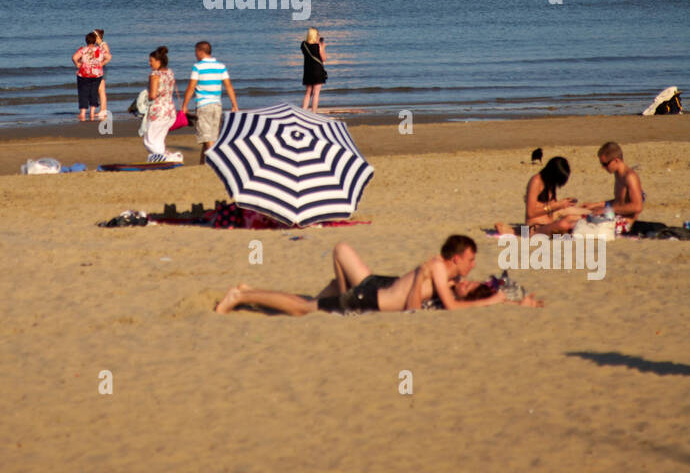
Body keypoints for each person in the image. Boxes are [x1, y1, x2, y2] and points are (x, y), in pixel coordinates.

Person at [215, 235, 543, 315]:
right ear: (456, 258)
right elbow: (442, 308)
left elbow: (472, 292)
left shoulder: (445, 273)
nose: (473, 265)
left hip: (375, 289)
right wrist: (496, 300)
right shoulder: (441, 272)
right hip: (369, 296)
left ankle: (247, 290)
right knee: (305, 307)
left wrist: (519, 301)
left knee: (311, 302)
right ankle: (241, 295)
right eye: (470, 260)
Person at [495, 155, 587, 237]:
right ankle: (515, 231)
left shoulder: (549, 183)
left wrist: (563, 204)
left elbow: (552, 207)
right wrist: (557, 205)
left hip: (548, 222)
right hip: (534, 227)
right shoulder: (536, 181)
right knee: (567, 221)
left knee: (576, 214)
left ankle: (594, 214)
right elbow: (530, 213)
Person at [179, 41, 238, 163]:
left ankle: (216, 163)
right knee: (211, 137)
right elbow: (229, 86)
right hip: (217, 106)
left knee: (208, 138)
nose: (195, 55)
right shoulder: (221, 66)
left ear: (201, 51)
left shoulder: (198, 67)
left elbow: (191, 88)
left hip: (204, 106)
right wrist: (234, 105)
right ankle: (202, 163)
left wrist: (184, 105)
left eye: (196, 52)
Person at [581, 142, 644, 234]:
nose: (603, 167)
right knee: (579, 214)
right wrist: (595, 205)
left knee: (574, 222)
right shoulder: (618, 174)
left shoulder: (630, 177)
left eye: (605, 164)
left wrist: (607, 210)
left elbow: (637, 207)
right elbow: (619, 202)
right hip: (613, 215)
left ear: (616, 161)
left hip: (624, 223)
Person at [143, 47, 181, 164]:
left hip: (158, 111)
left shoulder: (155, 75)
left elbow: (153, 95)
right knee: (159, 139)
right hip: (170, 110)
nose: (150, 63)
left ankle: (165, 157)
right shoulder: (170, 72)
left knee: (149, 140)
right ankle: (168, 156)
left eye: (151, 61)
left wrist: (145, 97)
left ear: (158, 61)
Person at [72, 32, 103, 122]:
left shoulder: (83, 50)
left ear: (86, 41)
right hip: (97, 74)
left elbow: (74, 57)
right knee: (94, 92)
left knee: (83, 93)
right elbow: (109, 56)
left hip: (84, 73)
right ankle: (92, 112)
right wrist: (102, 63)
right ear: (95, 41)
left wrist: (78, 64)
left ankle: (82, 113)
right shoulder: (99, 50)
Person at [301, 26, 328, 112]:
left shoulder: (303, 45)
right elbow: (324, 59)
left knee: (308, 93)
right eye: (317, 34)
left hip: (308, 71)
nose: (318, 36)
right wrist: (323, 48)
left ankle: (304, 111)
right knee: (316, 94)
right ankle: (314, 113)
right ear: (315, 35)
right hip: (317, 71)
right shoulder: (318, 46)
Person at [92, 28, 111, 120]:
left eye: (94, 35)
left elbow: (108, 57)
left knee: (101, 90)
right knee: (99, 90)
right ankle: (102, 110)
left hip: (102, 69)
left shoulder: (104, 45)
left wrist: (100, 64)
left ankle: (103, 111)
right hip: (97, 69)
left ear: (98, 37)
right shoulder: (96, 45)